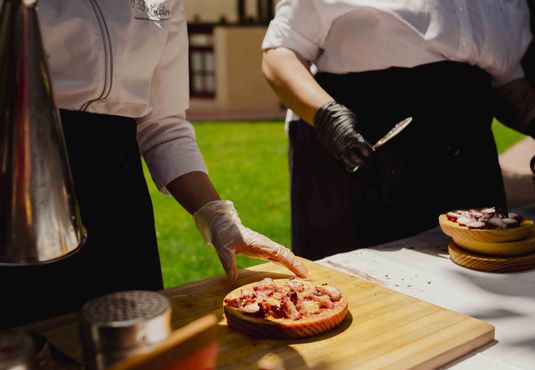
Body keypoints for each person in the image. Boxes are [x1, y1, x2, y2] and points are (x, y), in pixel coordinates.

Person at [1, 0, 306, 327]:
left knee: (135, 337)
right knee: (31, 337)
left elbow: (162, 124)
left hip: (118, 187)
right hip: (24, 177)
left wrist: (219, 218)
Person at [261, 0, 535, 260]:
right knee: (358, 295)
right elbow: (281, 53)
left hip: (464, 163)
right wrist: (328, 118)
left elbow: (504, 75)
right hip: (357, 157)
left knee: (474, 270)